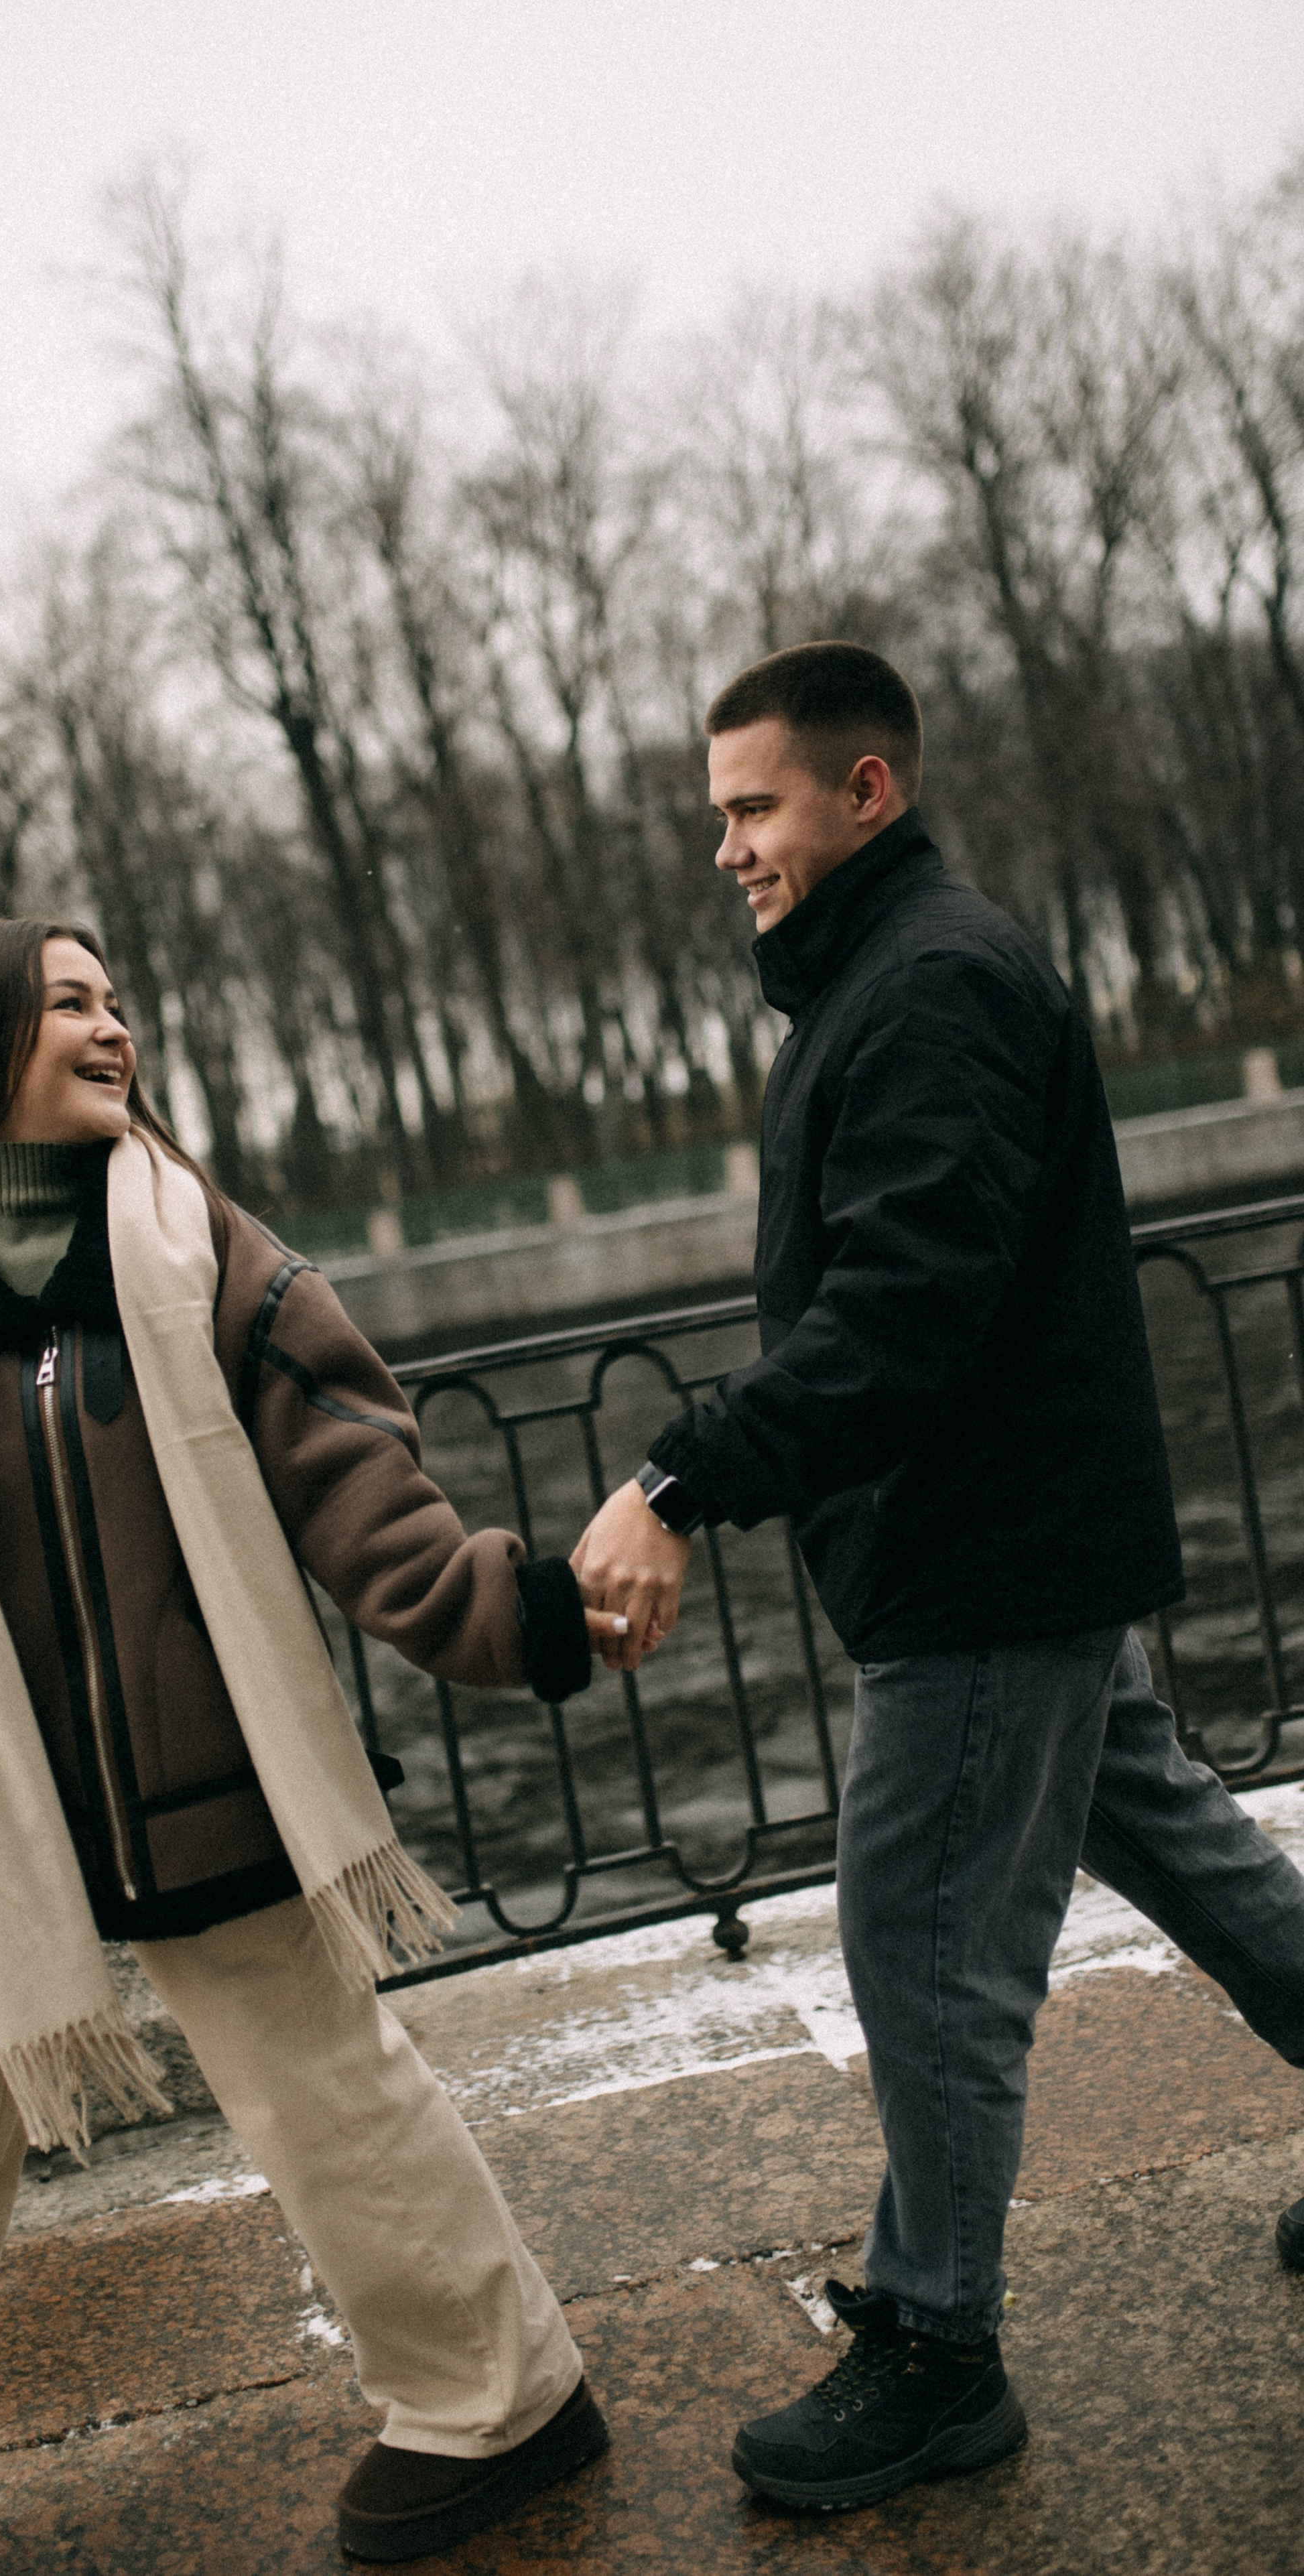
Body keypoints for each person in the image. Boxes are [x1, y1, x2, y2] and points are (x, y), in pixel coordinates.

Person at [0, 917, 615, 2576]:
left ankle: (501, 2401)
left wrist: (513, 1614)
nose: (113, 1028)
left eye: (117, 1002)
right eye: (69, 1005)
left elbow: (356, 1480)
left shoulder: (207, 1248)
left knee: (331, 2102)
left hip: (203, 1789)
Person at [571, 641, 1304, 2513]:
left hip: (985, 1557)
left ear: (864, 791)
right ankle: (930, 2319)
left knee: (927, 1946)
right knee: (1178, 1839)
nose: (725, 845)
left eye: (754, 805)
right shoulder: (894, 974)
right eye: (717, 811)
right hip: (1015, 1535)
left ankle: (937, 2346)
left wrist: (680, 1471)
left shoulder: (931, 984)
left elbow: (904, 1312)